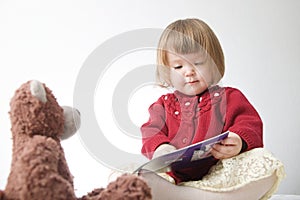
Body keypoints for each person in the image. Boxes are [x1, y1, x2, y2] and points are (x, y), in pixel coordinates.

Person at [139, 18, 285, 200]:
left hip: (221, 179)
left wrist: (238, 140)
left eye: (198, 63)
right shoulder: (163, 105)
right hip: (173, 180)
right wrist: (161, 148)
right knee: (137, 178)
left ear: (214, 63)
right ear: (167, 71)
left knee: (268, 165)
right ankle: (177, 194)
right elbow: (151, 131)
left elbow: (250, 124)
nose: (189, 71)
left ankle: (188, 197)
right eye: (178, 66)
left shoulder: (229, 97)